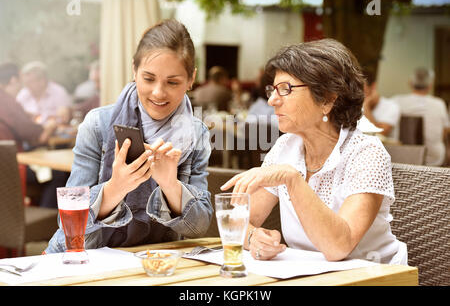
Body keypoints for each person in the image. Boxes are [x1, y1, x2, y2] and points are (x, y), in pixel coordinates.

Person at [221, 39, 407, 265]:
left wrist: (291, 179)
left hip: (373, 277)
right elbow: (234, 221)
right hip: (307, 276)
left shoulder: (366, 153)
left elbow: (339, 247)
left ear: (327, 99)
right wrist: (253, 237)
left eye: (285, 89)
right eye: (272, 90)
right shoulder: (285, 147)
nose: (272, 100)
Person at [45, 19, 213, 253]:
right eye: (149, 78)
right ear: (134, 70)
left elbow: (199, 227)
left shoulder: (196, 134)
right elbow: (68, 224)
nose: (158, 92)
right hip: (89, 259)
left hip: (156, 263)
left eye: (172, 82)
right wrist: (116, 187)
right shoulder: (97, 125)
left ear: (191, 79)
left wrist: (170, 185)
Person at [0, 62, 57, 201]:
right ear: (13, 80)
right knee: (58, 175)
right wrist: (51, 126)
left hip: (5, 165)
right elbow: (38, 135)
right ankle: (49, 220)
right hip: (11, 167)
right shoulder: (7, 100)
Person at [392, 68, 450, 166]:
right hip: (434, 160)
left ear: (410, 83)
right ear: (430, 85)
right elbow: (444, 132)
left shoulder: (396, 101)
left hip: (403, 159)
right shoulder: (439, 104)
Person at [362, 71, 400, 140]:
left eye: (361, 89)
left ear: (373, 86)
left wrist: (366, 107)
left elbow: (379, 134)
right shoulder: (353, 105)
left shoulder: (391, 106)